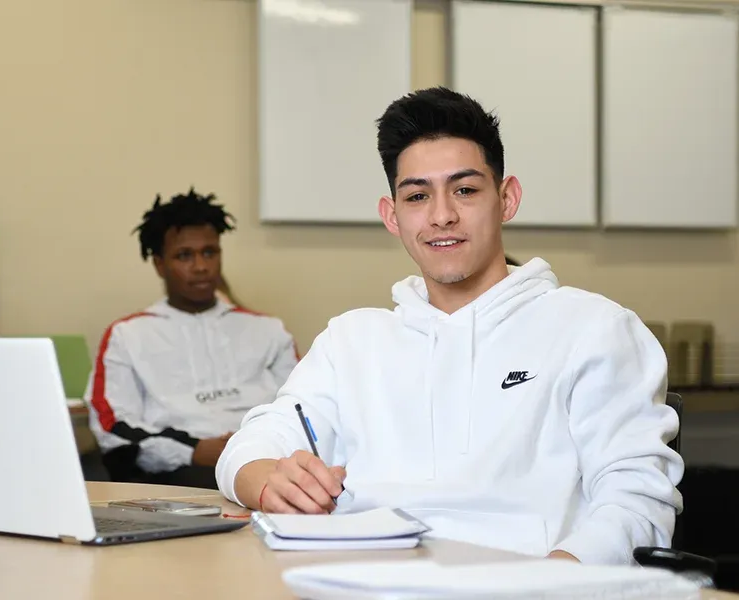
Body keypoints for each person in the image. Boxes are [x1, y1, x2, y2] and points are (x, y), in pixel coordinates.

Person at [215, 87, 683, 564]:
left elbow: (638, 503)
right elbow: (250, 447)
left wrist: (550, 583)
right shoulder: (352, 340)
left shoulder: (593, 329)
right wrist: (271, 480)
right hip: (365, 585)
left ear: (507, 198)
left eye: (465, 190)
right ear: (392, 216)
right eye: (417, 196)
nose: (442, 216)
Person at [85, 188, 298, 489]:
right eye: (184, 255)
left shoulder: (268, 330)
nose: (200, 266)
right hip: (182, 472)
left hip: (271, 461)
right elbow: (112, 427)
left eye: (209, 252)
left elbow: (303, 408)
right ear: (159, 264)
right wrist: (193, 450)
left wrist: (256, 446)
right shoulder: (128, 335)